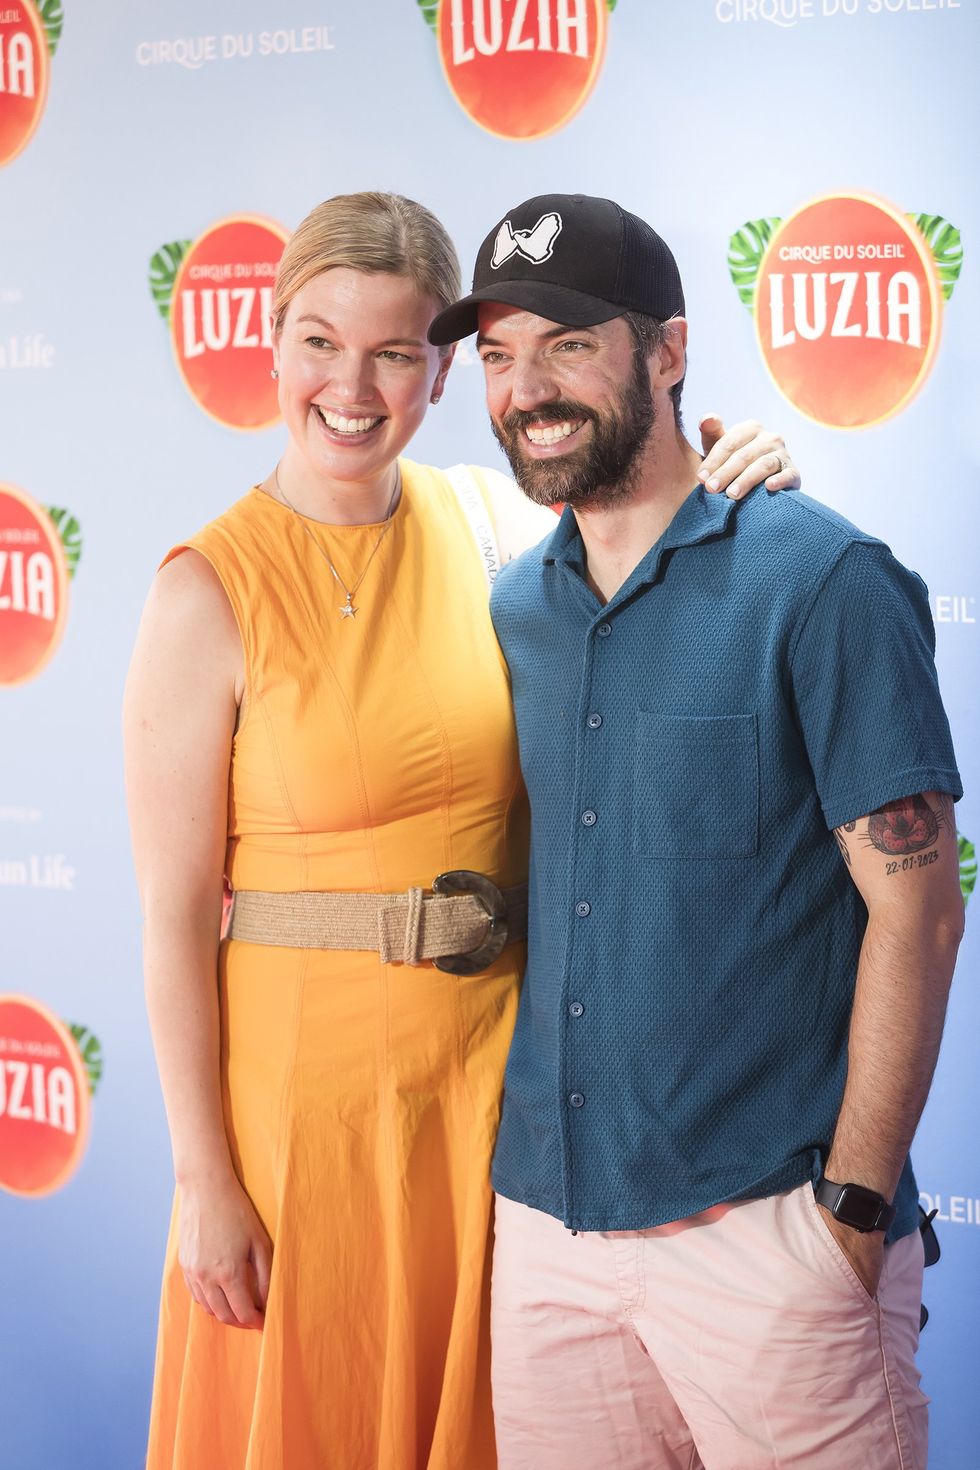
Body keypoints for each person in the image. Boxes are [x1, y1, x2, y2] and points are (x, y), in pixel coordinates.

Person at [124, 190, 801, 1470]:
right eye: (320, 341)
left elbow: (633, 528)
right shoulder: (201, 591)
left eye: (393, 351)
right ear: (268, 346)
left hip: (492, 1100)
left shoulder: (486, 524)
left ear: (440, 375)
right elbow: (167, 920)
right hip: (302, 1122)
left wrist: (732, 462)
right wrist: (200, 1179)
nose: (352, 385)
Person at [427, 192, 966, 1470]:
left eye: (567, 344)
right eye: (499, 356)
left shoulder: (819, 579)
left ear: (666, 354)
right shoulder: (511, 609)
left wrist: (850, 1206)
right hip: (548, 1244)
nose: (527, 389)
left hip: (771, 1248)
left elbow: (918, 905)